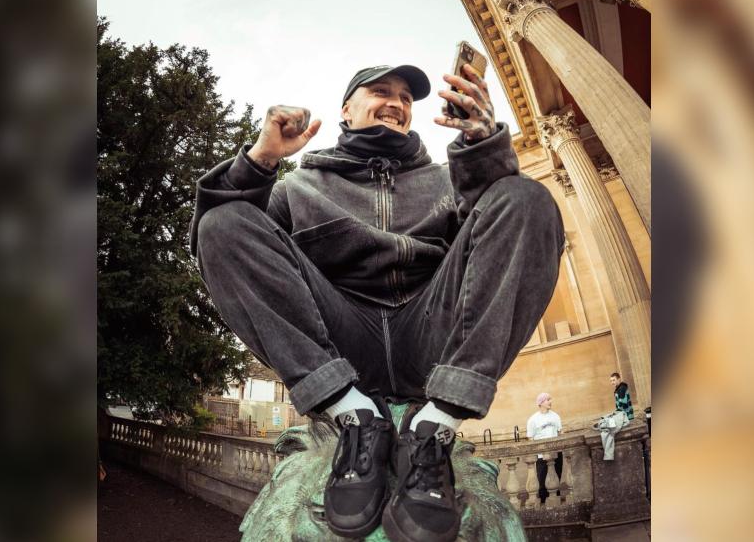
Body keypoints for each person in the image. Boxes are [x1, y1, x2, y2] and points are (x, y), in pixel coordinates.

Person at [190, 62, 564, 541]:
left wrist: (482, 147)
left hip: (430, 336)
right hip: (342, 344)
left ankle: (436, 424)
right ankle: (355, 415)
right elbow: (218, 247)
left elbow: (500, 242)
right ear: (346, 110)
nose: (397, 103)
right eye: (382, 91)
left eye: (407, 98)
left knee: (526, 197)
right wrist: (261, 161)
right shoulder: (297, 188)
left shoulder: (447, 182)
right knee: (221, 224)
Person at [526, 392, 563, 503]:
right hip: (541, 455)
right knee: (542, 480)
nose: (550, 401)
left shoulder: (555, 416)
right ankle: (543, 501)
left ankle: (556, 501)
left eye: (550, 399)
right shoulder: (533, 419)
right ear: (541, 403)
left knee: (557, 476)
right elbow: (530, 438)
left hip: (556, 453)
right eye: (548, 399)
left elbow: (560, 432)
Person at [595, 372, 634, 460]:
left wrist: (617, 416)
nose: (612, 382)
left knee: (609, 427)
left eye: (614, 380)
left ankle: (608, 453)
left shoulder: (622, 388)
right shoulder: (619, 388)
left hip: (626, 415)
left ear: (619, 379)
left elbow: (623, 404)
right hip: (622, 413)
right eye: (611, 381)